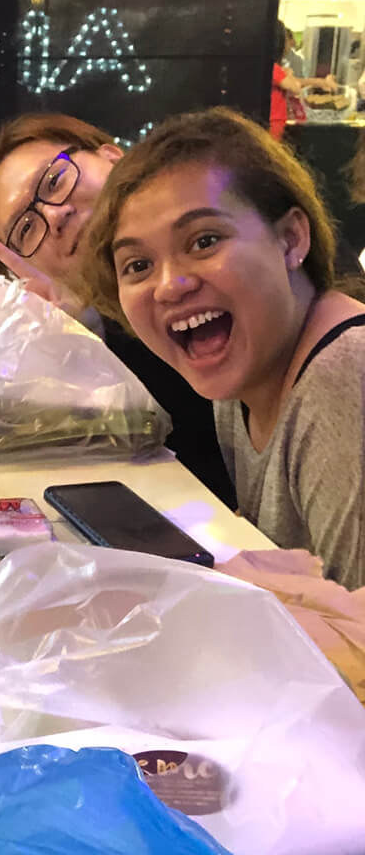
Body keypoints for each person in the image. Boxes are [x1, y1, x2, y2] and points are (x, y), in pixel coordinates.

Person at [85, 107, 365, 589]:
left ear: (291, 238)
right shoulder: (241, 380)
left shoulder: (343, 378)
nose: (169, 285)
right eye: (137, 265)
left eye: (204, 240)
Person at [0, 113, 237, 507]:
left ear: (111, 156)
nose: (54, 216)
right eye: (26, 228)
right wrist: (75, 343)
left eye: (55, 181)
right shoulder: (96, 333)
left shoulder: (225, 227)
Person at [271, 19, 335, 140]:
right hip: (275, 120)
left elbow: (297, 82)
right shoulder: (274, 68)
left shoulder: (269, 67)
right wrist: (288, 74)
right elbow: (295, 87)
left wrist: (321, 82)